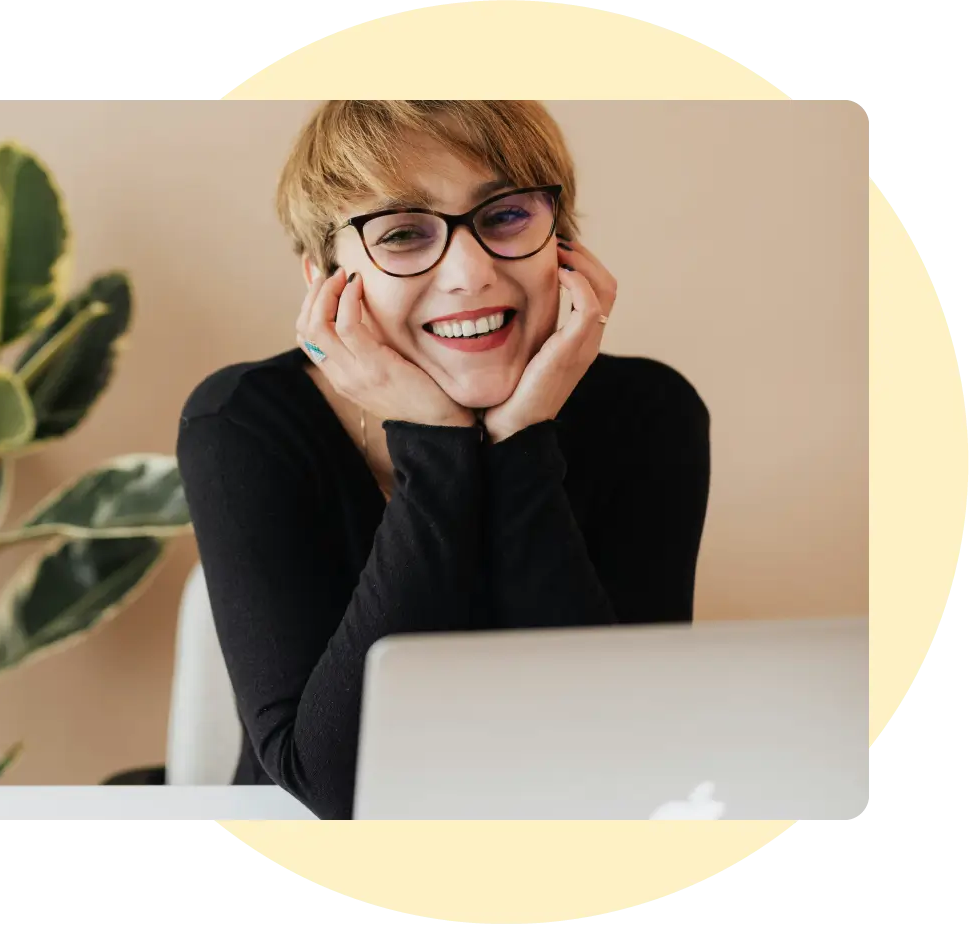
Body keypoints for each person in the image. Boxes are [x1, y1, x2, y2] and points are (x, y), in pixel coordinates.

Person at [176, 101, 711, 821]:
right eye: (401, 233)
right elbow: (337, 785)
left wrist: (520, 437)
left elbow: (622, 752)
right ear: (324, 279)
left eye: (505, 215)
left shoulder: (651, 413)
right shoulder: (243, 424)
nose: (470, 272)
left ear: (565, 243)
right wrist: (434, 439)